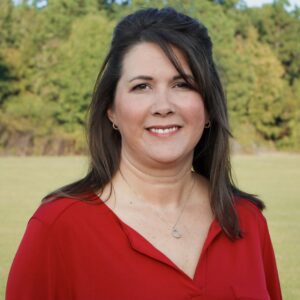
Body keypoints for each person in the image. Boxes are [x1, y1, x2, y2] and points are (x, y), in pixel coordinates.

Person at [6, 7, 282, 300]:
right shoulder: (58, 227)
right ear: (111, 109)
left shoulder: (245, 220)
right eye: (142, 86)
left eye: (182, 84)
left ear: (209, 107)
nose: (163, 105)